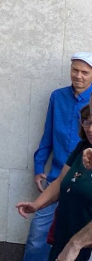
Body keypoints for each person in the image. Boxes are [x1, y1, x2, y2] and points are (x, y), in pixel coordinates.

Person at [24, 52, 92, 261]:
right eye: (75, 70)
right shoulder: (57, 97)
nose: (78, 76)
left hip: (84, 194)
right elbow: (48, 134)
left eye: (85, 72)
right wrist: (38, 168)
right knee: (38, 237)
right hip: (58, 176)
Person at [17, 104, 92, 261]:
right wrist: (36, 205)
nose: (90, 129)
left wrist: (76, 244)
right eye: (87, 121)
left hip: (84, 244)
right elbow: (60, 182)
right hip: (64, 236)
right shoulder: (82, 148)